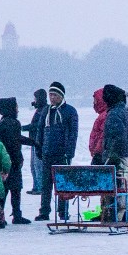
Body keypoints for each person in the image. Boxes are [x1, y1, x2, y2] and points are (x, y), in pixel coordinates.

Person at [36, 83, 80, 221]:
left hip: (62, 154)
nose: (52, 98)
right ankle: (44, 211)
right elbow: (40, 130)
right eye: (50, 95)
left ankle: (63, 211)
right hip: (47, 152)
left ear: (61, 96)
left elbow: (73, 133)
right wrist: (39, 147)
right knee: (46, 184)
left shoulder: (70, 111)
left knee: (62, 184)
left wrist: (70, 152)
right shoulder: (46, 111)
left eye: (54, 95)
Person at [0, 97, 30, 224]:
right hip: (13, 163)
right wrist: (34, 143)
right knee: (15, 190)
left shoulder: (2, 123)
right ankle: (16, 215)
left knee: (3, 190)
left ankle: (0, 216)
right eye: (16, 107)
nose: (17, 110)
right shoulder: (14, 123)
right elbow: (16, 141)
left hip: (3, 162)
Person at [25, 88, 50, 195]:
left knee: (38, 165)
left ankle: (40, 187)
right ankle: (36, 186)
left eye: (35, 98)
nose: (34, 101)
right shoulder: (39, 110)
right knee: (33, 165)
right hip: (33, 141)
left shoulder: (44, 110)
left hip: (39, 142)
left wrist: (24, 128)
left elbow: (36, 126)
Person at [88, 87, 110, 165]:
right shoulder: (103, 115)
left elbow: (102, 135)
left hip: (99, 155)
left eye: (95, 100)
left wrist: (97, 151)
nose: (94, 103)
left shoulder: (104, 116)